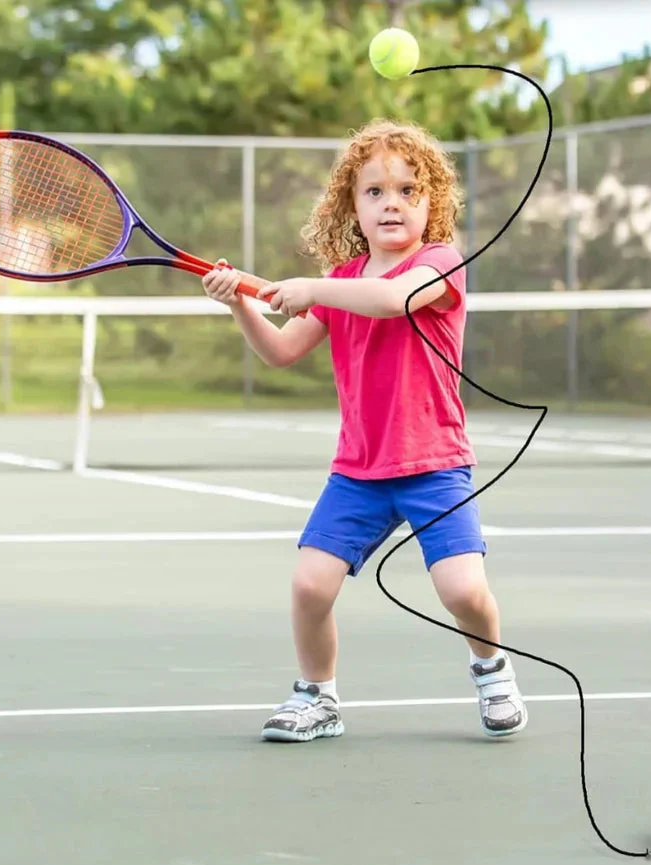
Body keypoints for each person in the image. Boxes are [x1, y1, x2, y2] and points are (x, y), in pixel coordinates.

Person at [201, 118, 527, 743]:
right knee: (308, 585)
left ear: (433, 203)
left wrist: (307, 285)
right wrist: (240, 302)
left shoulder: (440, 263)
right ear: (351, 205)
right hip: (359, 470)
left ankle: (491, 666)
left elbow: (394, 299)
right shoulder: (342, 279)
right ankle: (317, 698)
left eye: (408, 190)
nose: (392, 203)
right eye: (374, 192)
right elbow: (280, 351)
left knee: (463, 591)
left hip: (434, 463)